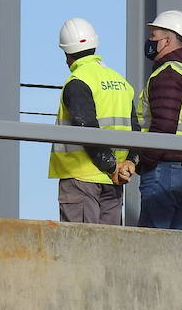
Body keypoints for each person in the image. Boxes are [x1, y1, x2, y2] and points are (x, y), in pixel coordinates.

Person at [48, 18, 137, 225]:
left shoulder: (78, 81)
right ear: (94, 46)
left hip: (81, 178)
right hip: (114, 181)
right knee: (109, 249)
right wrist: (129, 162)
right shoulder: (120, 82)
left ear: (66, 54)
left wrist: (111, 166)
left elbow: (86, 128)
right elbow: (135, 128)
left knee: (80, 249)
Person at [134, 9, 182, 230]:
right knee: (174, 244)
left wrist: (143, 160)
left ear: (167, 40)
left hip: (165, 168)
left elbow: (163, 125)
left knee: (152, 245)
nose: (150, 41)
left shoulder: (169, 73)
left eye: (154, 37)